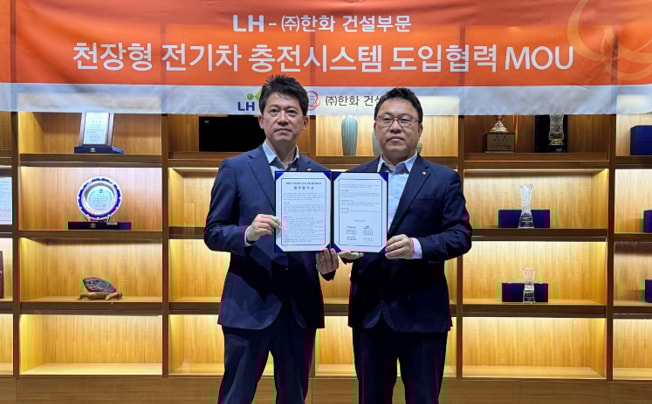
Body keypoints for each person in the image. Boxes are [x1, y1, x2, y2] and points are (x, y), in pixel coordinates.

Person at [204, 74, 340, 404]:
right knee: (236, 396)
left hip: (299, 308)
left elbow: (326, 239)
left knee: (294, 396)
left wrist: (328, 264)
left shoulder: (321, 176)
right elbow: (213, 232)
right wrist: (247, 234)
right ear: (261, 119)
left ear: (305, 122)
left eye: (291, 112)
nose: (282, 119)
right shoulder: (235, 168)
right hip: (248, 305)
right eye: (274, 111)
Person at [340, 87, 472, 404]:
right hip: (370, 314)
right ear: (375, 127)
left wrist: (417, 247)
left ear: (419, 129)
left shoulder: (443, 179)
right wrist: (341, 250)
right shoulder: (352, 178)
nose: (395, 127)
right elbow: (339, 236)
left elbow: (460, 235)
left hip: (423, 314)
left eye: (404, 120)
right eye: (387, 119)